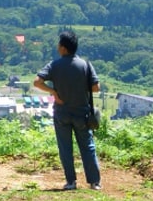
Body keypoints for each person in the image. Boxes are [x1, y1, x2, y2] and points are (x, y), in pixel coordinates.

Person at [33, 30, 102, 191]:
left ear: (63, 48)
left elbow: (37, 82)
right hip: (82, 113)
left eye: (59, 44)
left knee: (65, 148)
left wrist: (53, 92)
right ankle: (94, 182)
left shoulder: (54, 65)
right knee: (87, 146)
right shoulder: (85, 65)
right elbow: (96, 87)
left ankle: (71, 182)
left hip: (62, 112)